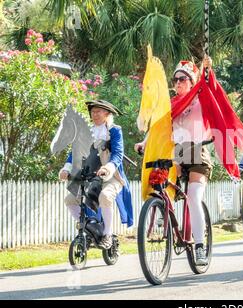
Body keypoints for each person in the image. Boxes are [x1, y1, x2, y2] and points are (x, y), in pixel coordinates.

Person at [135, 56, 213, 266]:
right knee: (161, 183)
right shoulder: (169, 105)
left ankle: (199, 247)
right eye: (176, 79)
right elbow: (158, 127)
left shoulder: (199, 99)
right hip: (176, 155)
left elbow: (209, 89)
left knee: (194, 198)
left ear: (191, 81)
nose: (178, 83)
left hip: (197, 153)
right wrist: (144, 143)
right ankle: (162, 210)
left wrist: (207, 71)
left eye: (183, 79)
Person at [60, 100, 133, 249]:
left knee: (105, 197)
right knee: (70, 200)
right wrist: (66, 168)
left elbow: (118, 154)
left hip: (112, 176)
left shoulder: (114, 130)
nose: (95, 114)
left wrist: (108, 167)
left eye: (98, 111)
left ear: (107, 114)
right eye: (93, 111)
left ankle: (107, 235)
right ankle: (89, 227)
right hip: (89, 177)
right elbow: (74, 153)